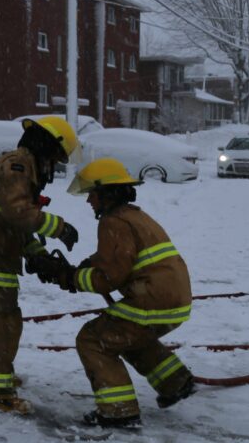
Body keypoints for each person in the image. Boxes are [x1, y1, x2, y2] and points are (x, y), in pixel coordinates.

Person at [41, 157, 196, 428]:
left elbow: (108, 278)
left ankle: (118, 410)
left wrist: (69, 277)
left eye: (93, 194)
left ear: (106, 193)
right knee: (127, 335)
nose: (89, 201)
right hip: (173, 299)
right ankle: (175, 382)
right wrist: (88, 264)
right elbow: (118, 259)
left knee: (94, 339)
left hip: (152, 299)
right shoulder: (135, 215)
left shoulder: (113, 222)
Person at [0, 116, 81, 414]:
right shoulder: (18, 167)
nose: (54, 165)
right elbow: (18, 213)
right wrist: (59, 227)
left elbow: (14, 225)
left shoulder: (21, 165)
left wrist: (36, 252)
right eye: (55, 157)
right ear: (46, 146)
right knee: (2, 324)